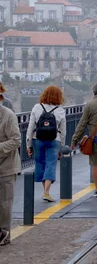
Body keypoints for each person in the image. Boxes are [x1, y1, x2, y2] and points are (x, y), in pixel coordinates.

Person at [25, 85, 67, 202]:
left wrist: (28, 144)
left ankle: (46, 192)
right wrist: (61, 147)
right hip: (54, 140)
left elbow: (30, 127)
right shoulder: (60, 110)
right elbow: (63, 131)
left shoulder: (37, 108)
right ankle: (46, 192)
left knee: (40, 163)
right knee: (51, 164)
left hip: (37, 139)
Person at [0, 82, 21, 246]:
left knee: (5, 203)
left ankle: (4, 233)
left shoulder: (8, 115)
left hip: (6, 167)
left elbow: (16, 140)